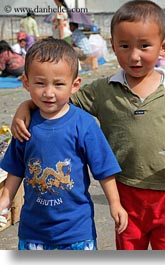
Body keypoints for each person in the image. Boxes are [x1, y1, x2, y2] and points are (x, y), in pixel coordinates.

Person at [10, 0, 165, 250]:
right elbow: (56, 100)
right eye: (124, 46)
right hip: (125, 188)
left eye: (145, 46)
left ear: (164, 48)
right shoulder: (103, 90)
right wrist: (25, 107)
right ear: (113, 47)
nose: (134, 55)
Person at [0, 38, 128, 250]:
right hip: (33, 231)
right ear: (26, 82)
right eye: (40, 83)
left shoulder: (84, 124)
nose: (49, 93)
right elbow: (16, 167)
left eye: (59, 84)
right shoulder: (25, 124)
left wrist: (115, 203)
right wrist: (5, 199)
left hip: (76, 232)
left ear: (75, 85)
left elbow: (104, 169)